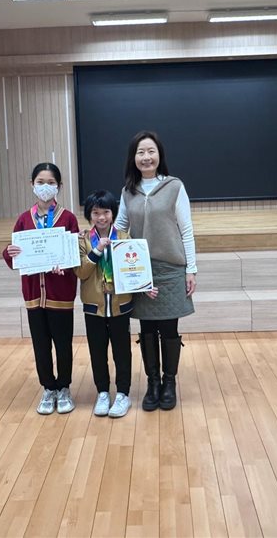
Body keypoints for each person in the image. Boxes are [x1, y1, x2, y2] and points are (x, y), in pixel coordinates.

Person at [116, 131, 197, 411]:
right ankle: (152, 383)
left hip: (171, 267)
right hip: (140, 269)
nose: (146, 157)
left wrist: (191, 269)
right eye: (140, 152)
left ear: (159, 155)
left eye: (151, 151)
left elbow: (186, 230)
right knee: (147, 328)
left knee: (169, 328)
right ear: (133, 158)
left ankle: (169, 382)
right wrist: (95, 238)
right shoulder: (128, 191)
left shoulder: (174, 186)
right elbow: (120, 227)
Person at [2, 162, 79, 415]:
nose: (45, 187)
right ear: (32, 185)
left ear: (59, 186)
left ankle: (64, 387)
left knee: (63, 343)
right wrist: (10, 252)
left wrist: (65, 264)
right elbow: (14, 255)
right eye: (40, 182)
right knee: (40, 344)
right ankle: (48, 388)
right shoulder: (24, 219)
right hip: (34, 295)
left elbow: (75, 254)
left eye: (51, 182)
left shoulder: (68, 218)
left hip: (60, 294)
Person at [74, 190, 134, 418]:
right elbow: (80, 272)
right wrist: (97, 251)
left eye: (106, 212)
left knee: (122, 352)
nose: (101, 217)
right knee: (97, 352)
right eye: (96, 213)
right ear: (89, 215)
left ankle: (123, 394)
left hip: (120, 305)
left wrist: (144, 284)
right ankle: (102, 392)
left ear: (113, 213)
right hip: (94, 307)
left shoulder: (125, 238)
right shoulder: (82, 240)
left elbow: (133, 269)